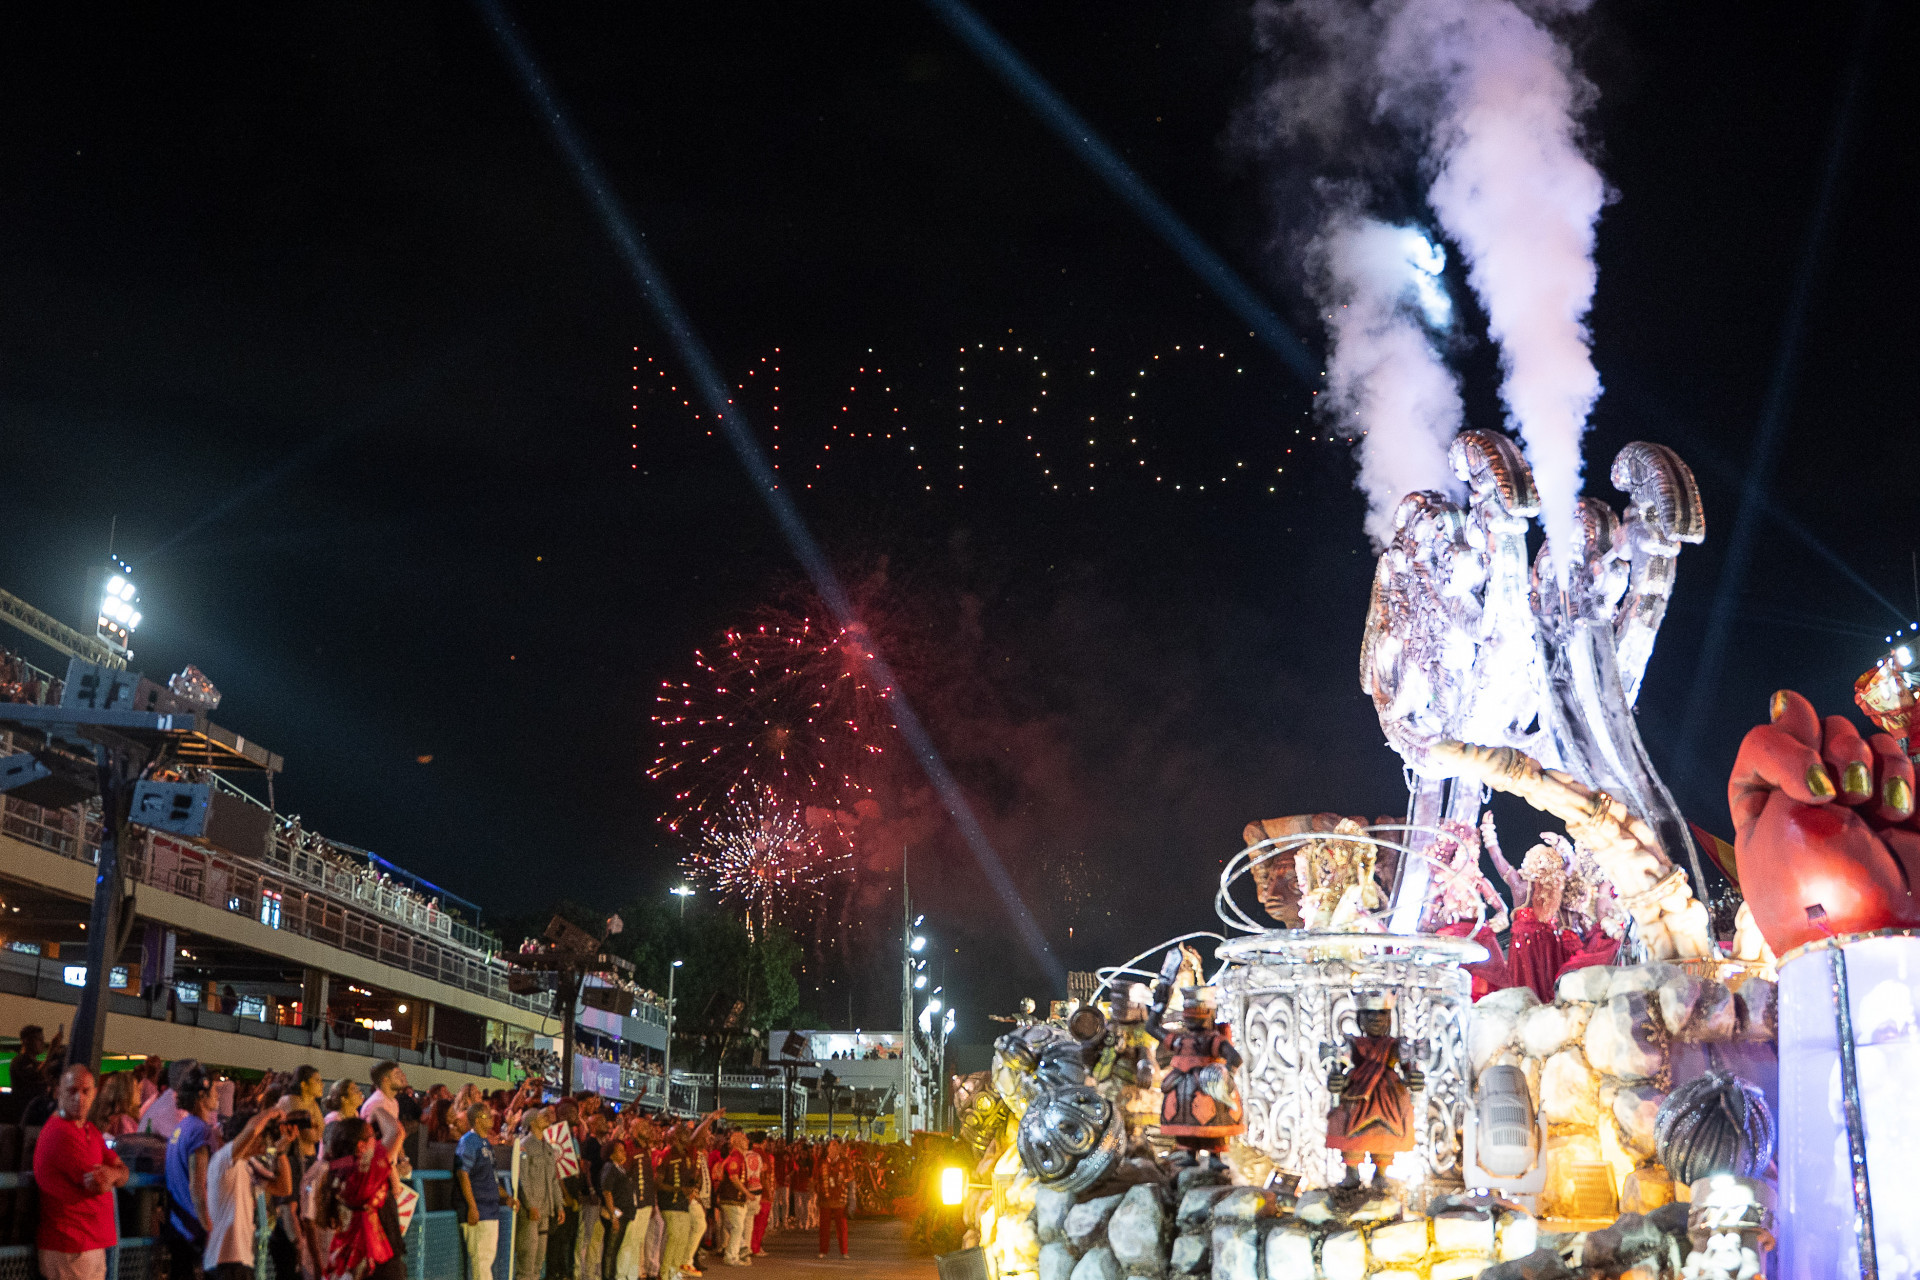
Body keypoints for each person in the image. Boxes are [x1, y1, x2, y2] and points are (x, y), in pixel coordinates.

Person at [34, 1064, 128, 1280]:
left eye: (85, 1091)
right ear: (59, 1092)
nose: (80, 1098)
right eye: (72, 1091)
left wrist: (113, 1174)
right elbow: (98, 1183)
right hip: (69, 1245)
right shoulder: (60, 1133)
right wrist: (113, 1174)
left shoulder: (89, 1130)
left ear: (94, 1093)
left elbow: (122, 1173)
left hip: (87, 1244)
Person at [203, 1106, 294, 1280]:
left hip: (240, 1259)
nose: (265, 1142)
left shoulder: (248, 1165)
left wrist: (280, 1150)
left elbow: (284, 1188)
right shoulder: (224, 1160)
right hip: (224, 1260)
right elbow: (252, 1129)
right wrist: (271, 1113)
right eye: (263, 1136)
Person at [318, 1116, 407, 1280]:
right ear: (361, 1146)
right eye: (373, 1136)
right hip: (370, 1253)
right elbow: (397, 1132)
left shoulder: (333, 1169)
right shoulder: (366, 1171)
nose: (377, 1141)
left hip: (342, 1254)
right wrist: (376, 1110)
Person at [163, 1067, 219, 1280]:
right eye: (213, 1091)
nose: (217, 1096)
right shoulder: (200, 1131)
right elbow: (197, 1185)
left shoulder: (182, 1127)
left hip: (178, 1228)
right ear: (202, 1096)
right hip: (193, 1230)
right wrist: (208, 1226)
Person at [455, 1104, 516, 1280]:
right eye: (487, 1116)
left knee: (486, 1258)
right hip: (478, 1209)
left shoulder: (486, 1144)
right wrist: (472, 1207)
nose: (491, 1118)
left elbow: (490, 1179)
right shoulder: (468, 1141)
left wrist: (506, 1198)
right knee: (481, 1260)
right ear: (476, 1120)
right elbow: (463, 1174)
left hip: (490, 1209)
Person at [515, 1108, 565, 1280]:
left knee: (538, 1261)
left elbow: (553, 1180)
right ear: (532, 1122)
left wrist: (559, 1205)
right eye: (540, 1116)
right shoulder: (524, 1146)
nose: (545, 1118)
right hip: (531, 1212)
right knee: (527, 1260)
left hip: (544, 1211)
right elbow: (523, 1179)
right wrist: (530, 1205)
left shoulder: (548, 1148)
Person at [598, 1140, 649, 1280]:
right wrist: (614, 1216)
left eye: (623, 1149)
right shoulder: (609, 1167)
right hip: (616, 1213)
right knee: (610, 1250)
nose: (623, 1152)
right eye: (619, 1150)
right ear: (611, 1153)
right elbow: (607, 1192)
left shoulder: (619, 1168)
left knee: (615, 1250)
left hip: (625, 1213)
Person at [656, 1130, 701, 1280]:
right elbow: (658, 1182)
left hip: (683, 1203)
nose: (688, 1136)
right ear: (675, 1138)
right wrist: (678, 1189)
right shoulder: (667, 1155)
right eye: (684, 1133)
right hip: (669, 1203)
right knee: (674, 1236)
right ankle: (664, 1272)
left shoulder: (687, 1156)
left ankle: (674, 1271)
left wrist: (694, 1185)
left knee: (682, 1238)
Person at [7, 1024, 62, 1122]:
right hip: (25, 1118)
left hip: (39, 1115)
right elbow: (38, 1075)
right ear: (26, 1041)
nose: (42, 1043)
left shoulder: (37, 1064)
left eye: (42, 1039)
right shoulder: (19, 1062)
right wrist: (51, 1050)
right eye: (39, 1040)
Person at [360, 1062, 409, 1171]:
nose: (403, 1076)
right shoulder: (377, 1103)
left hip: (388, 1166)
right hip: (377, 1167)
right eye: (397, 1074)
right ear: (385, 1079)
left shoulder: (393, 1102)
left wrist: (402, 1159)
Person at [814, 1139, 850, 1259]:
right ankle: (823, 1250)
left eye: (836, 1146)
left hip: (840, 1198)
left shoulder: (844, 1162)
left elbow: (851, 1176)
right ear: (828, 1149)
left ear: (839, 1148)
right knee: (824, 1227)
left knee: (842, 1227)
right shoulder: (822, 1162)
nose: (833, 1148)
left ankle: (844, 1251)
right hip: (825, 1199)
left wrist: (844, 1180)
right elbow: (816, 1178)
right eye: (831, 1146)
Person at [86, 1069, 142, 1137]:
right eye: (137, 1089)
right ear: (128, 1094)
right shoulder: (124, 1121)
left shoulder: (94, 1116)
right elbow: (129, 1146)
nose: (140, 1093)